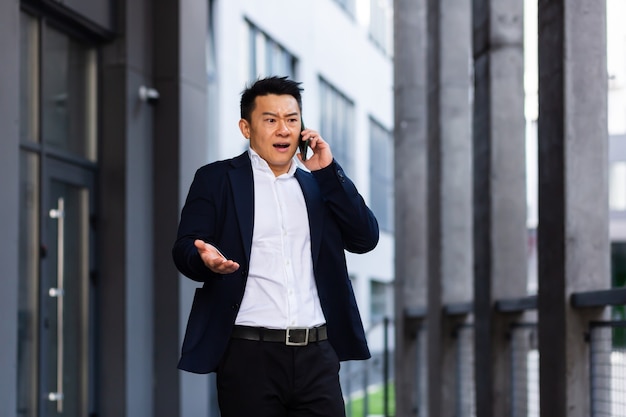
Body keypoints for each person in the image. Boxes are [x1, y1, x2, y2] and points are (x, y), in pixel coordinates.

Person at [172, 75, 379, 417]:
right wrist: (203, 260)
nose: (283, 129)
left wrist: (329, 173)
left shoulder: (318, 185)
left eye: (292, 119)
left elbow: (365, 239)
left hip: (318, 357)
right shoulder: (216, 180)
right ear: (246, 127)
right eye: (270, 120)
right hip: (248, 357)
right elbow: (184, 249)